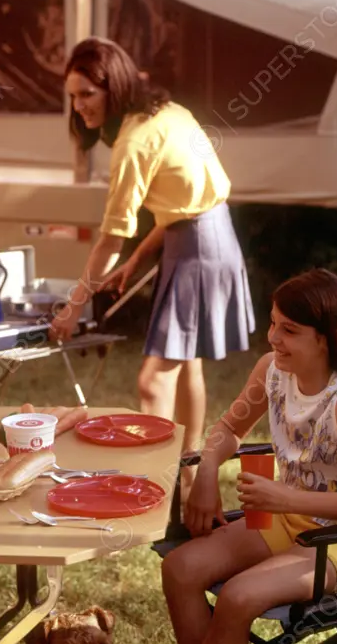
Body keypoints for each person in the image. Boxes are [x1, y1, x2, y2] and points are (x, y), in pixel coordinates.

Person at [161, 269, 337, 644]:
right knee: (179, 569)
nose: (273, 337)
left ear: (330, 338)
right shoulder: (271, 371)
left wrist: (286, 498)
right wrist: (205, 475)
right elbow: (228, 428)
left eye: (289, 330)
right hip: (285, 522)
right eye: (273, 322)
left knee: (238, 598)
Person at [50, 37, 255, 458]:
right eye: (72, 96)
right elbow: (183, 205)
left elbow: (111, 236)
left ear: (116, 87)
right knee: (186, 366)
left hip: (199, 248)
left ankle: (159, 483)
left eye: (87, 94)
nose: (79, 106)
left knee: (153, 380)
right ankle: (188, 472)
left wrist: (73, 307)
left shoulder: (133, 142)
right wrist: (139, 260)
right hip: (203, 238)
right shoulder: (166, 112)